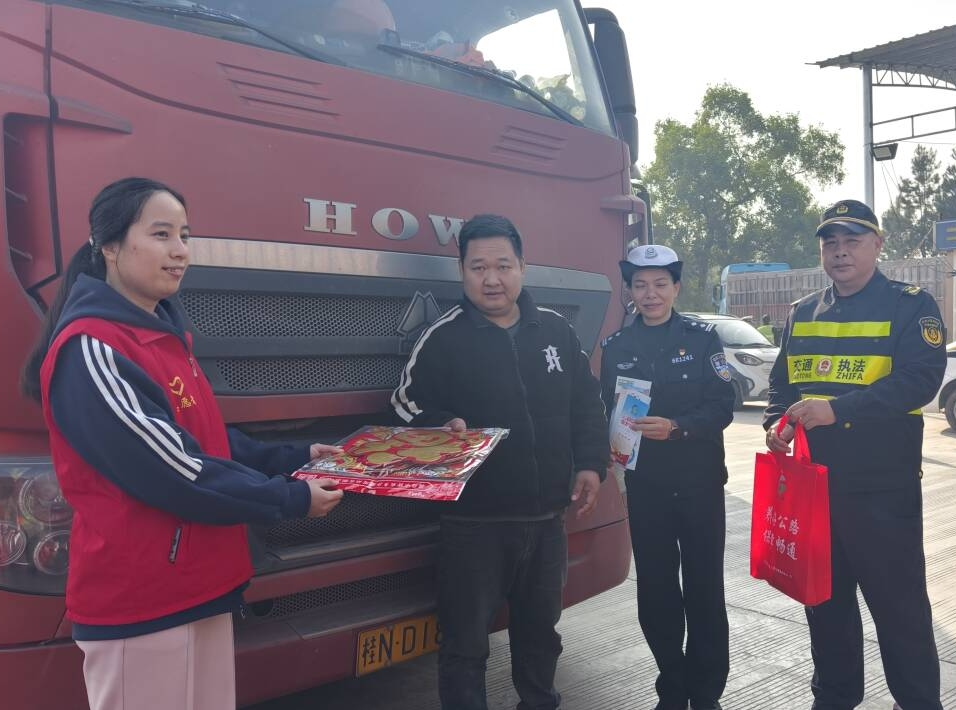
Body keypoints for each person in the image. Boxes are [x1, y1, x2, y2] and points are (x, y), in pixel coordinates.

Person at [20, 177, 344, 710]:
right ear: (110, 246)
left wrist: (296, 458)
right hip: (141, 600)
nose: (180, 251)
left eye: (185, 235)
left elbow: (203, 438)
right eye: (161, 234)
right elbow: (175, 469)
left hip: (200, 583)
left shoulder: (163, 335)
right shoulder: (93, 349)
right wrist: (289, 497)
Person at [390, 214, 608, 710]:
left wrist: (591, 464)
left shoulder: (555, 330)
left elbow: (586, 403)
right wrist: (438, 424)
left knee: (541, 635)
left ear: (522, 267)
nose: (492, 279)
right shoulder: (442, 338)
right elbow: (403, 405)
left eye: (503, 266)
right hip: (473, 525)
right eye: (479, 267)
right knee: (465, 644)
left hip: (546, 520)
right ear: (462, 272)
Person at [764, 199, 946, 710]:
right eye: (831, 242)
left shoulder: (909, 304)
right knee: (823, 605)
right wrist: (776, 422)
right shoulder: (803, 312)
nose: (840, 252)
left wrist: (837, 410)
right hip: (813, 489)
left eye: (852, 241)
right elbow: (782, 384)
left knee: (900, 611)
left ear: (877, 245)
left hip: (881, 490)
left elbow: (919, 381)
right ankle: (834, 698)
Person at [599, 244, 734, 710]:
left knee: (704, 588)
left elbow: (722, 406)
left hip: (699, 484)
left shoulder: (702, 339)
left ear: (676, 287)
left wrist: (678, 427)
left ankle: (706, 692)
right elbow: (607, 409)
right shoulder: (617, 347)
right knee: (656, 589)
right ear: (630, 291)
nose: (650, 294)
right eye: (640, 285)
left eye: (660, 284)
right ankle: (672, 687)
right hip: (647, 487)